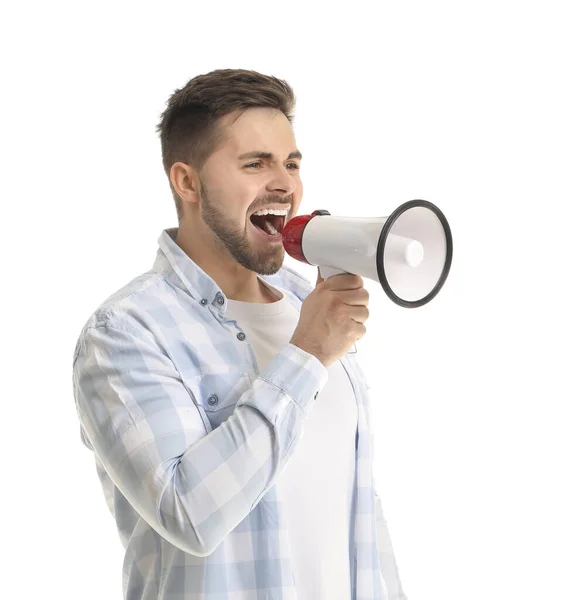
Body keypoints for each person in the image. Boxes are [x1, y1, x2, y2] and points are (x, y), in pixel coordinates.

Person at [72, 68, 407, 600]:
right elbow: (188, 513)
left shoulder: (308, 304)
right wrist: (308, 353)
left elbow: (355, 511)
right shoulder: (125, 334)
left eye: (291, 163)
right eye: (255, 163)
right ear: (187, 181)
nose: (284, 183)